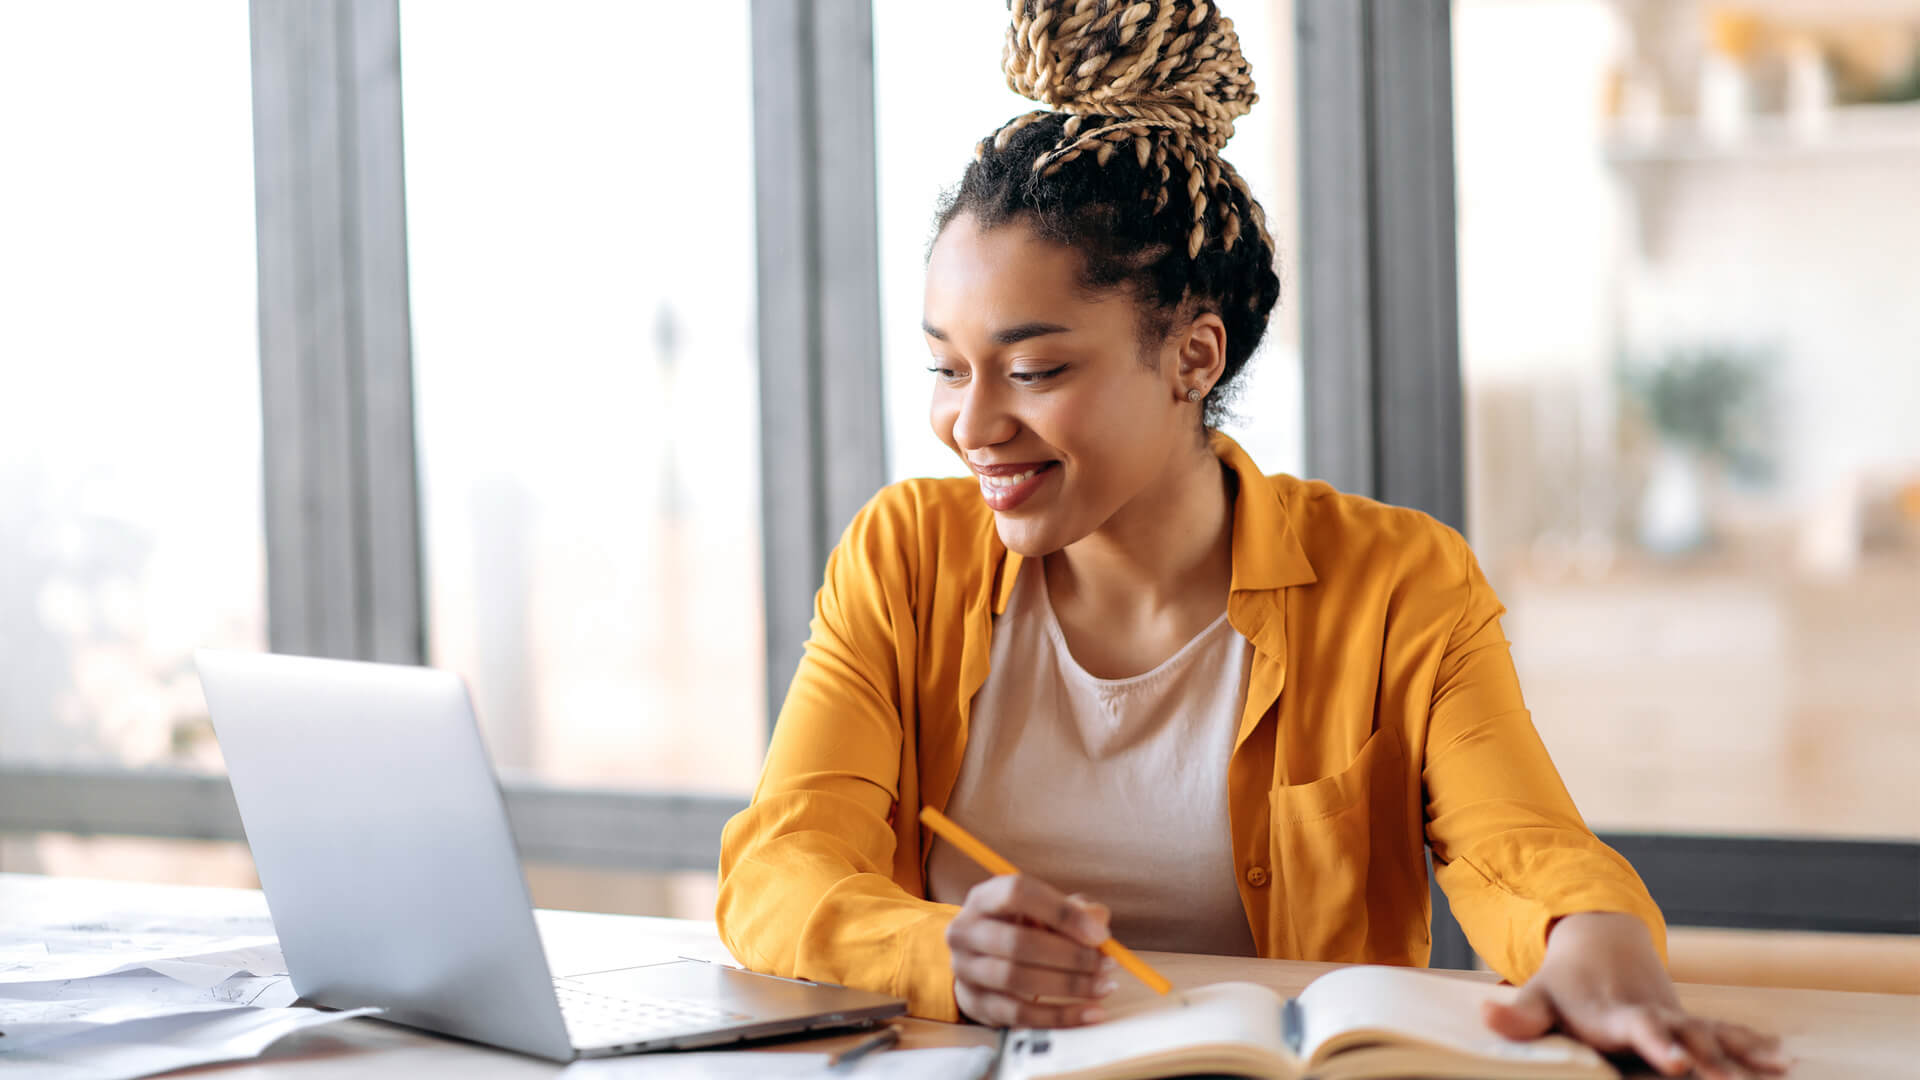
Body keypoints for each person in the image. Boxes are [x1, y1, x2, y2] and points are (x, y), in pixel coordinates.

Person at [718, 2, 1784, 1076]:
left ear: (1193, 356)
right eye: (947, 367)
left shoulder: (1399, 582)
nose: (972, 423)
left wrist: (1593, 938)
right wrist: (936, 950)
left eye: (1034, 371)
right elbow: (781, 865)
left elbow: (1523, 846)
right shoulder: (901, 557)